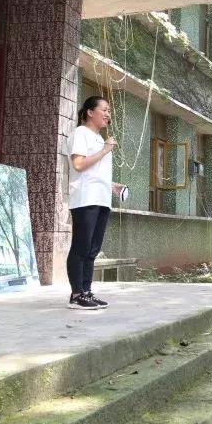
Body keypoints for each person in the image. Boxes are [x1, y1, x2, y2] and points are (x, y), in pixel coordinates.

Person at [67, 96, 124, 310]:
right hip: (85, 199)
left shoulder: (100, 139)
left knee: (92, 249)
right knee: (81, 247)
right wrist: (105, 150)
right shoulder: (80, 134)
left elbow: (94, 171)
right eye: (104, 109)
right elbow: (79, 164)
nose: (108, 114)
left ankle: (87, 292)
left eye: (109, 110)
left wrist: (112, 186)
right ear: (90, 112)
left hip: (101, 198)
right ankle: (76, 294)